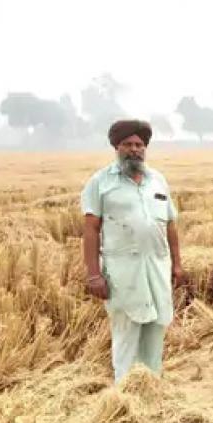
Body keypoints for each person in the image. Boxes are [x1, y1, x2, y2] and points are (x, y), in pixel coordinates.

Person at [80, 119, 185, 383]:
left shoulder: (157, 180)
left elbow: (170, 225)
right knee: (127, 334)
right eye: (127, 144)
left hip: (157, 269)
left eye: (139, 144)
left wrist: (177, 264)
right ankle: (124, 396)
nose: (134, 149)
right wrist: (94, 275)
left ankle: (152, 388)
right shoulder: (100, 183)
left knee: (156, 328)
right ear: (116, 147)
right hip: (122, 274)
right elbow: (91, 229)